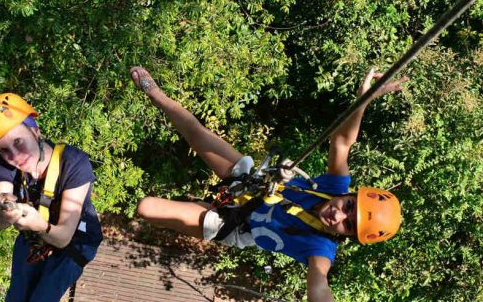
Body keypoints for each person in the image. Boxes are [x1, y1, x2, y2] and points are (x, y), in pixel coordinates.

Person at [130, 66, 407, 302]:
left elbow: (319, 287)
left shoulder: (320, 248)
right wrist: (364, 99)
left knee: (146, 208)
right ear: (348, 194)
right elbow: (342, 142)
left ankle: (201, 205)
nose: (339, 214)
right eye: (349, 206)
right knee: (197, 132)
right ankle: (156, 94)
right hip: (252, 183)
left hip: (233, 222)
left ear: (346, 236)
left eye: (348, 224)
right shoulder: (334, 185)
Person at [0, 93, 102, 301]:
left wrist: (38, 224)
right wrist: (4, 209)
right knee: (16, 297)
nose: (15, 157)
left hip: (74, 241)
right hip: (34, 237)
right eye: (4, 150)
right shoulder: (4, 165)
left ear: (35, 131)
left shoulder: (74, 163)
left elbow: (62, 238)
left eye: (19, 142)